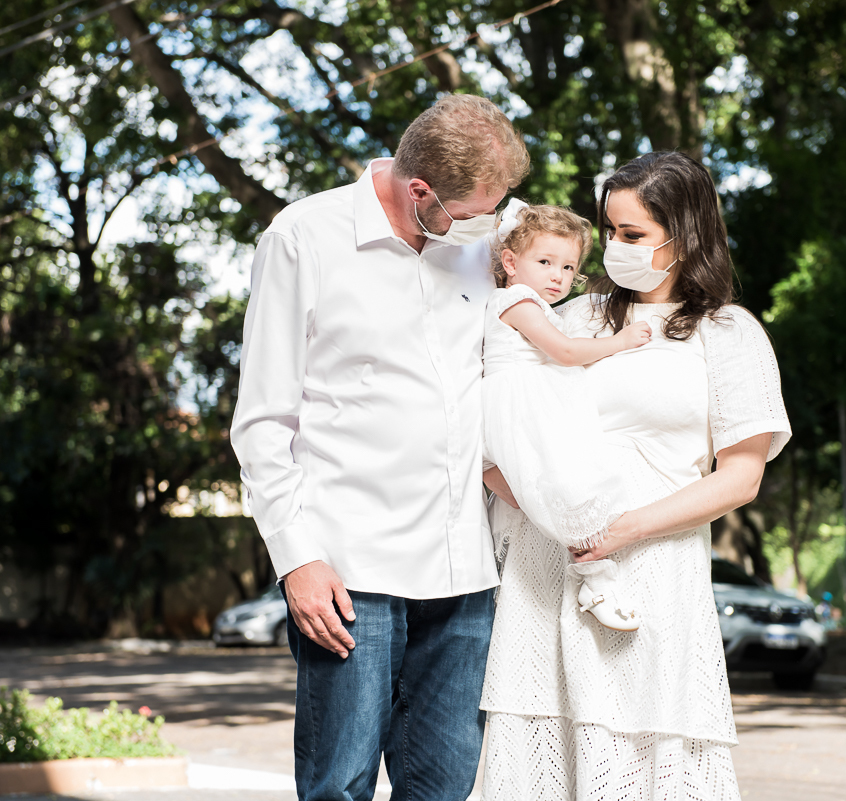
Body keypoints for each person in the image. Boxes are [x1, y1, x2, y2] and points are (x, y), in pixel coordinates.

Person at [230, 95, 529, 801]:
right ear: (418, 189)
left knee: (444, 787)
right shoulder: (304, 236)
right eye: (476, 210)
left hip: (463, 574)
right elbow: (263, 419)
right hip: (348, 572)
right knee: (340, 786)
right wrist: (296, 557)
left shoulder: (479, 249)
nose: (490, 224)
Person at [480, 151, 791, 799]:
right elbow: (498, 433)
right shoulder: (569, 320)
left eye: (632, 235)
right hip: (547, 575)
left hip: (652, 585)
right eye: (610, 230)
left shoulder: (728, 334)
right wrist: (551, 516)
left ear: (687, 236)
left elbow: (740, 478)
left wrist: (622, 530)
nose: (614, 247)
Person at [482, 200, 652, 631]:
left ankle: (589, 575)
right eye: (545, 262)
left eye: (568, 267)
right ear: (510, 262)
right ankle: (595, 577)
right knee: (566, 484)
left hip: (526, 397)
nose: (558, 276)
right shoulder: (517, 300)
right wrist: (623, 341)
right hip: (522, 403)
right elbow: (566, 352)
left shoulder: (529, 302)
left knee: (545, 493)